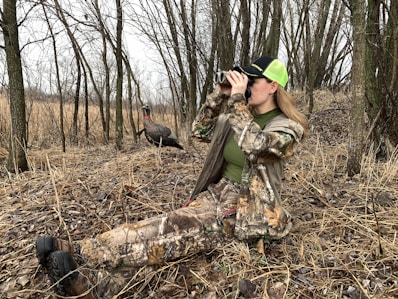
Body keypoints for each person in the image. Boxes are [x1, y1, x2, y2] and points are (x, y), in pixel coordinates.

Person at [35, 56, 308, 298]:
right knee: (160, 226)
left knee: (171, 237)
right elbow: (199, 130)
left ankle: (83, 256)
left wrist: (238, 101)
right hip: (217, 194)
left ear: (273, 86)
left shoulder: (287, 127)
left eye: (252, 80)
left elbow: (255, 145)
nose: (246, 84)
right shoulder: (234, 117)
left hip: (248, 210)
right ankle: (90, 282)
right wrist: (220, 95)